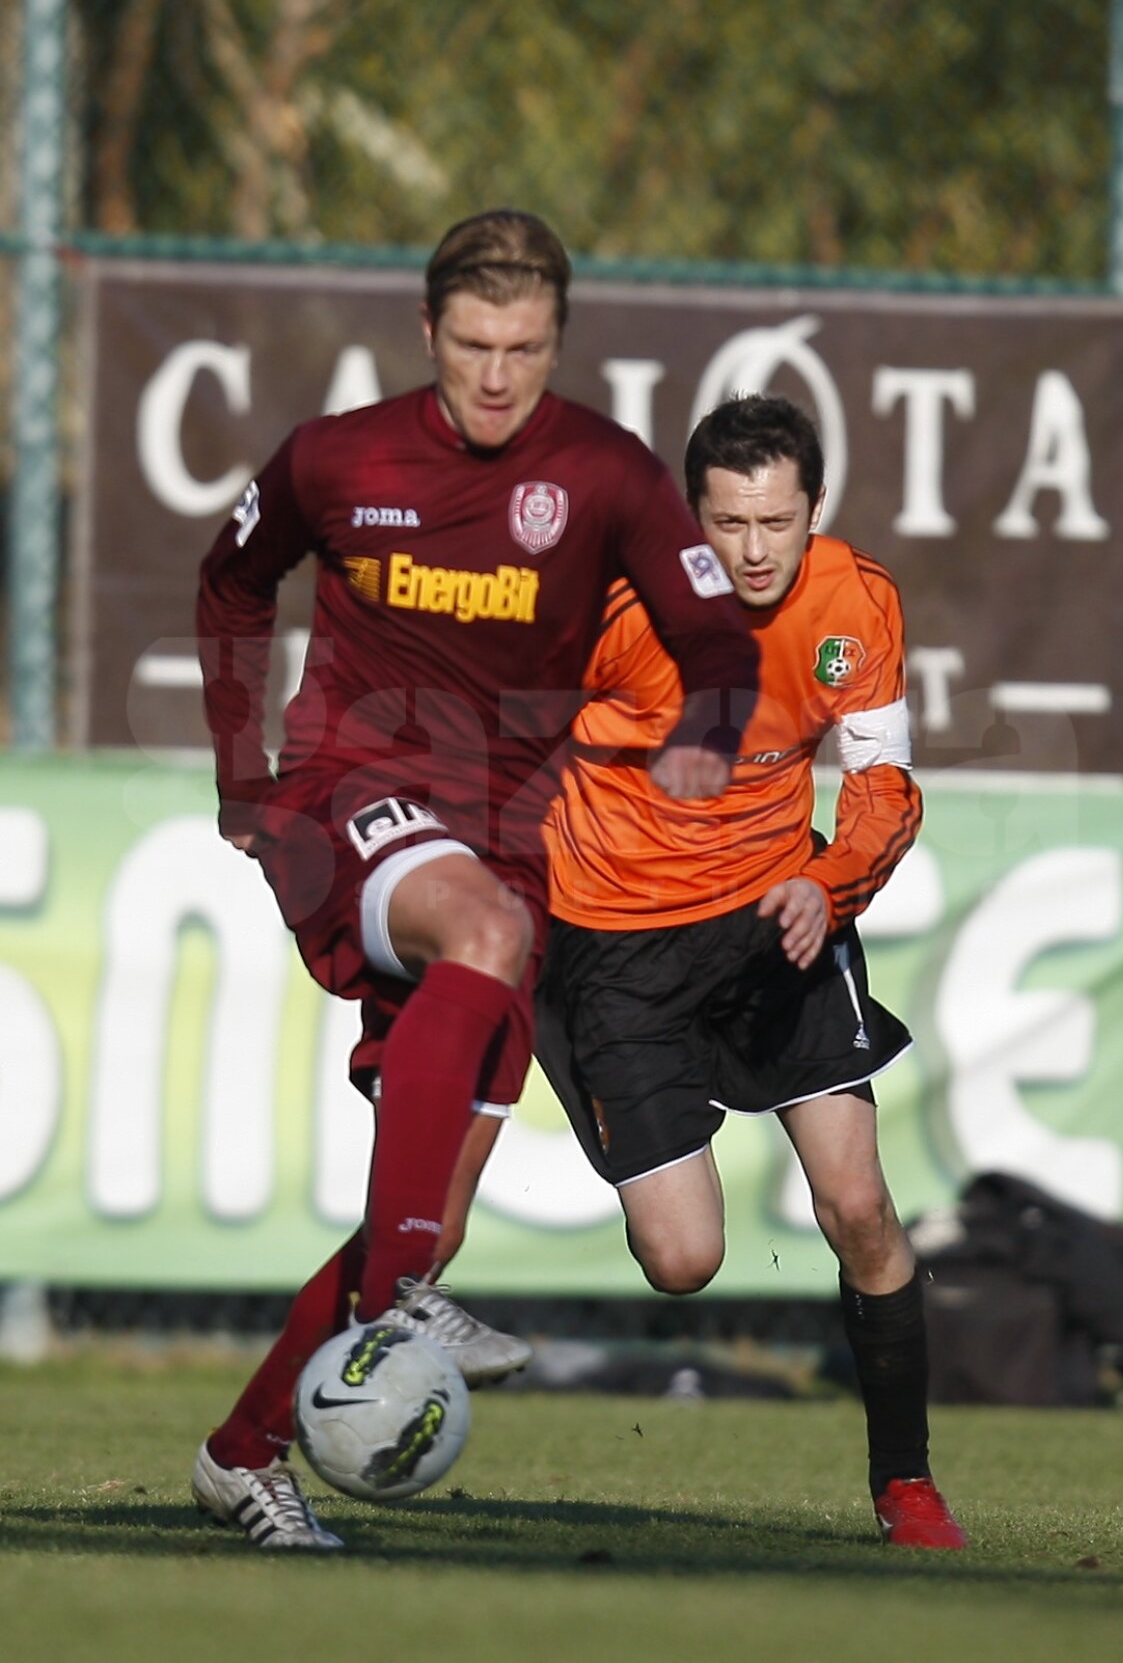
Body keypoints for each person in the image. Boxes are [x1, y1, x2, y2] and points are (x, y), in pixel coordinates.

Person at [190, 209, 760, 1551]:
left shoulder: (606, 473)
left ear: (557, 338)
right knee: (485, 934)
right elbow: (230, 584)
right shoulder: (338, 457)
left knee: (426, 1218)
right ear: (427, 330)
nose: (498, 376)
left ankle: (242, 1452)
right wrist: (241, 772)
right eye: (473, 345)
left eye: (526, 348)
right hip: (347, 794)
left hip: (506, 840)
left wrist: (708, 732)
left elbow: (717, 640)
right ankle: (396, 1295)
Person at [535, 393, 966, 1550]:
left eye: (777, 519)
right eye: (728, 522)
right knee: (683, 1259)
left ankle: (906, 1481)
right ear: (693, 515)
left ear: (815, 506)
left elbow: (882, 780)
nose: (755, 547)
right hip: (616, 943)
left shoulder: (856, 599)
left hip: (780, 918)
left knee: (860, 1202)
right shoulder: (617, 605)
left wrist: (833, 881)